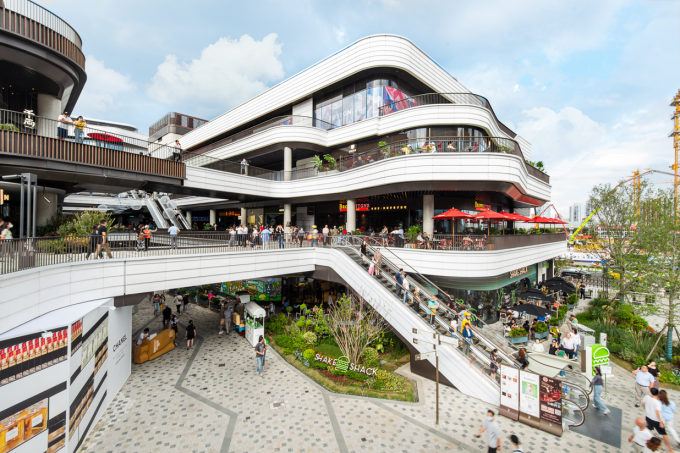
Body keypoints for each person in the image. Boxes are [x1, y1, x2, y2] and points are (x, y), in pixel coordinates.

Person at [643, 387, 673, 452]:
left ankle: (647, 444)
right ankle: (669, 449)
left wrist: (648, 410)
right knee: (664, 434)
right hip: (656, 420)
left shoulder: (646, 397)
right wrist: (661, 422)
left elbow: (643, 404)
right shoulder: (657, 402)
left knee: (647, 431)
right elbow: (657, 413)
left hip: (648, 417)